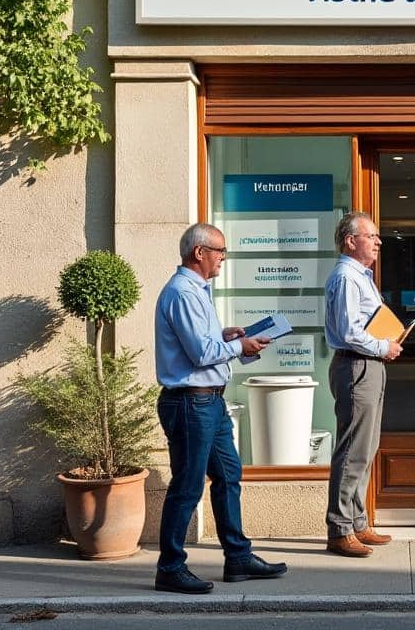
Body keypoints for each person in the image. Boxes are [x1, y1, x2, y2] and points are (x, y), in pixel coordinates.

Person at [153, 223, 288, 594]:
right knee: (187, 486)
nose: (223, 258)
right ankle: (170, 567)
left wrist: (226, 337)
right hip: (190, 402)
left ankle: (238, 557)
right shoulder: (182, 292)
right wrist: (240, 346)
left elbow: (203, 343)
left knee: (228, 475)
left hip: (209, 401)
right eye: (220, 251)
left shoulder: (197, 290)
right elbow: (201, 354)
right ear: (199, 252)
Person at [323, 211, 402, 557]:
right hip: (356, 365)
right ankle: (340, 530)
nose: (378, 242)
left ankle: (357, 522)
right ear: (350, 241)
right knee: (353, 450)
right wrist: (383, 346)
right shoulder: (346, 277)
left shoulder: (360, 276)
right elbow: (348, 332)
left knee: (366, 449)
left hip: (368, 365)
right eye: (371, 236)